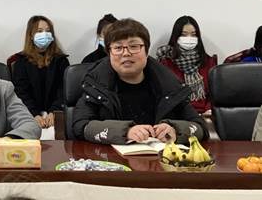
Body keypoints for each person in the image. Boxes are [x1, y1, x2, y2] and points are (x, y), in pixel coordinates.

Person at [72, 18, 207, 145]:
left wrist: (176, 130)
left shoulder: (169, 85)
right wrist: (125, 132)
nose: (126, 53)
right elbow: (81, 126)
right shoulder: (97, 85)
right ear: (109, 54)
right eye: (118, 48)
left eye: (134, 46)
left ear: (146, 52)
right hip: (109, 159)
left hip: (160, 158)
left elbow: (200, 127)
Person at [9, 15, 69, 129]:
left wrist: (54, 111)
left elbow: (64, 90)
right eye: (39, 31)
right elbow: (21, 92)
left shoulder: (61, 60)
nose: (44, 34)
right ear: (31, 35)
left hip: (55, 115)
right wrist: (34, 114)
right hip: (29, 114)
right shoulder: (21, 62)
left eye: (48, 31)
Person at [156, 16, 217, 114]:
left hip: (205, 114)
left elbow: (215, 93)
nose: (189, 38)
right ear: (176, 37)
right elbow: (163, 95)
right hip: (176, 115)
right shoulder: (166, 62)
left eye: (193, 35)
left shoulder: (208, 61)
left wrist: (209, 110)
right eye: (184, 35)